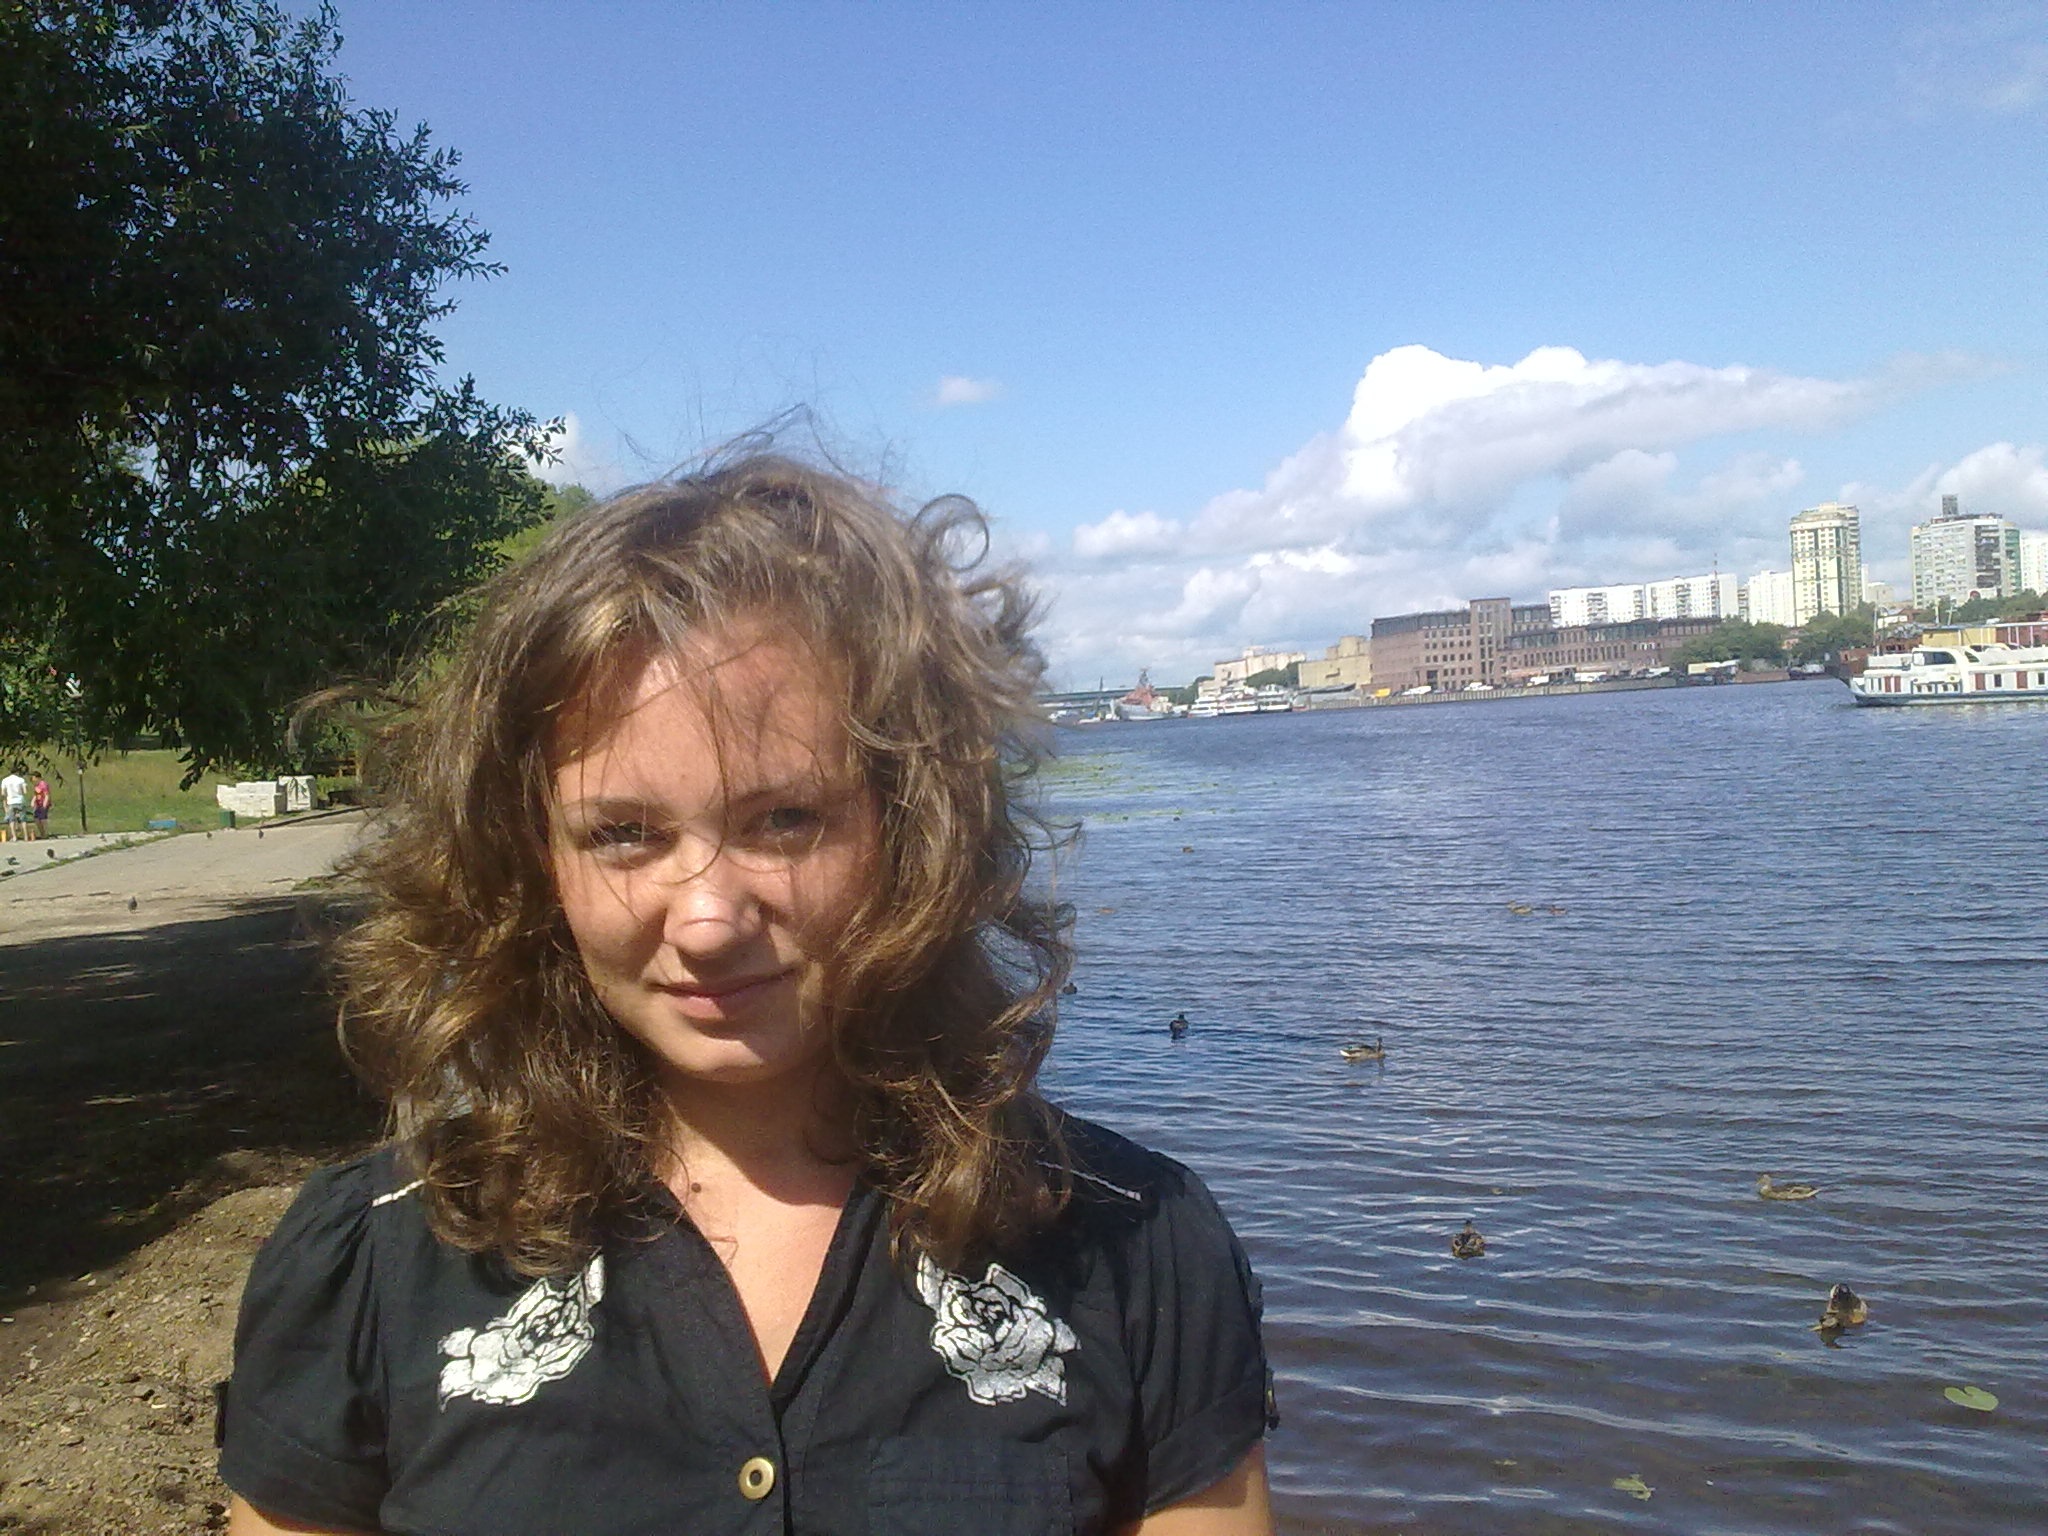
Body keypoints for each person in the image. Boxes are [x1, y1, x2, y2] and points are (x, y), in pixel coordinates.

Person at [218, 454, 1276, 1536]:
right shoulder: (373, 1262)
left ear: (913, 832)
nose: (707, 919)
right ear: (536, 860)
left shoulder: (1135, 1249)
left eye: (784, 821)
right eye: (623, 833)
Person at [1, 766, 26, 842]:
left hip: (10, 801)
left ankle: (14, 837)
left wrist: (5, 802)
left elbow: (3, 793)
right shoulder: (21, 780)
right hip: (20, 800)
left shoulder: (5, 780)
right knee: (23, 819)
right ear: (17, 772)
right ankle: (26, 836)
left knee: (11, 820)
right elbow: (25, 791)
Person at [30, 774, 51, 840]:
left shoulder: (43, 784)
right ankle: (42, 833)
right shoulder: (36, 785)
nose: (32, 780)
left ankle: (45, 834)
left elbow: (46, 795)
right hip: (38, 804)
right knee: (36, 818)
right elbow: (36, 794)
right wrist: (33, 801)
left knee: (43, 819)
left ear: (37, 778)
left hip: (43, 803)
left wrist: (44, 804)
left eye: (33, 778)